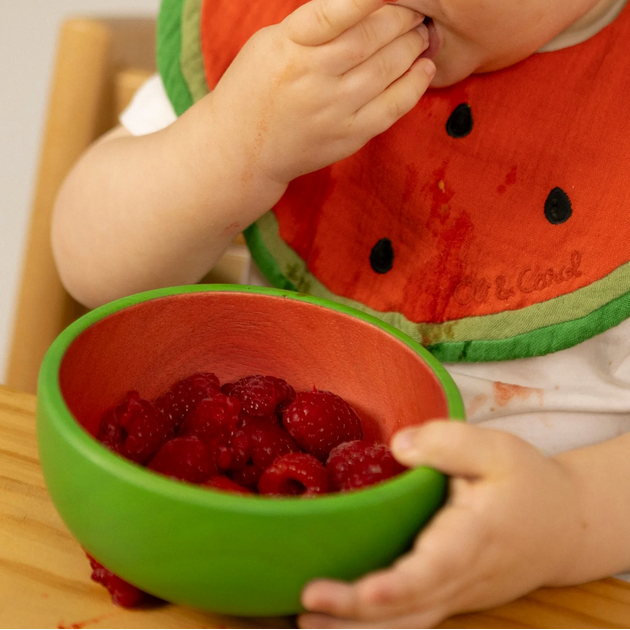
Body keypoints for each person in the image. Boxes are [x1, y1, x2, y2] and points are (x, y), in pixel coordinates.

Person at [52, 0, 630, 627]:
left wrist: (566, 520)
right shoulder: (298, 40)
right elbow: (90, 266)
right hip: (243, 562)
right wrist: (229, 144)